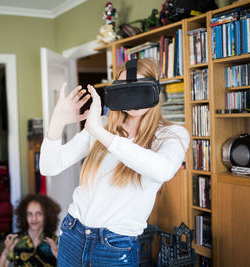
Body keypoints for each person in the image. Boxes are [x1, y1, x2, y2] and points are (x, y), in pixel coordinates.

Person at [39, 58, 189, 266]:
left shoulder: (172, 134)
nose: (132, 94)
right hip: (73, 234)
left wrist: (100, 133)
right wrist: (58, 121)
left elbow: (161, 170)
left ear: (154, 90)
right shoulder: (100, 125)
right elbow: (49, 166)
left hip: (115, 246)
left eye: (139, 85)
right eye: (125, 87)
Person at [0, 194, 61, 267]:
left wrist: (58, 255)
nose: (34, 218)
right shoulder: (15, 240)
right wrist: (5, 253)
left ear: (46, 216)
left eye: (38, 214)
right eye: (30, 214)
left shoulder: (55, 241)